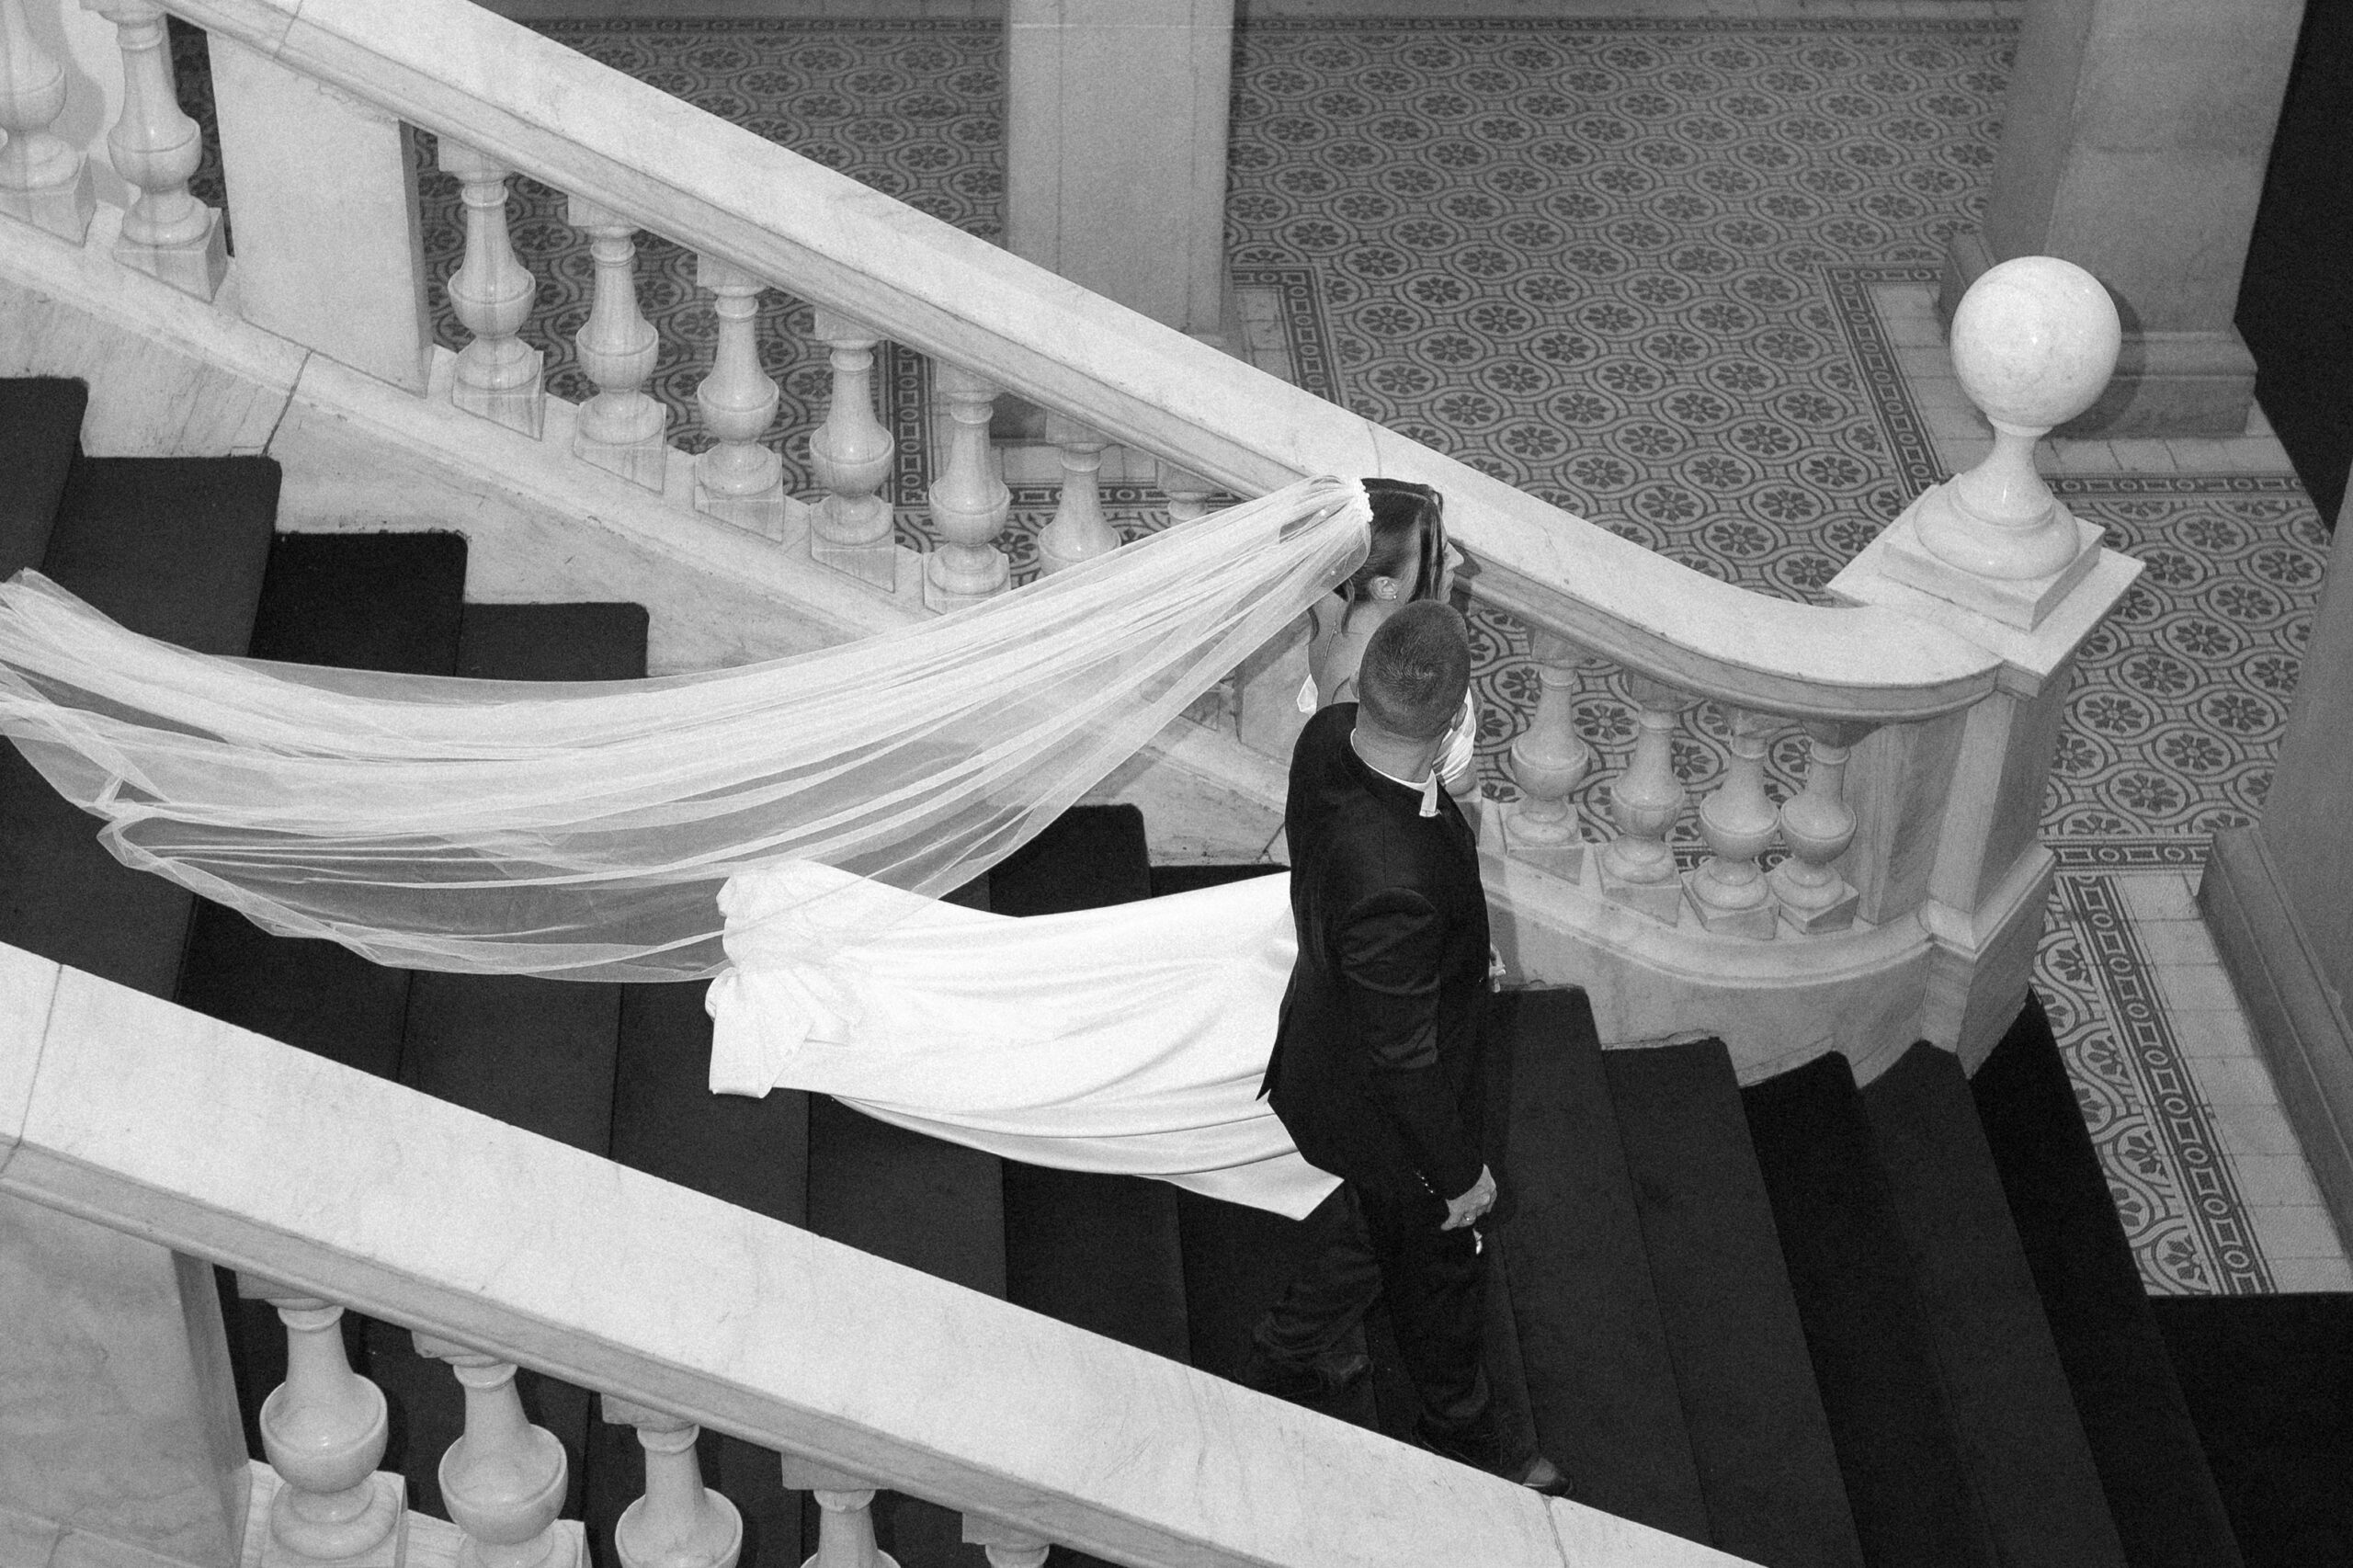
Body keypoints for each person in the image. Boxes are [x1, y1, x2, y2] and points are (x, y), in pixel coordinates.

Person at [1248, 599, 1567, 1494]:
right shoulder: (1400, 873)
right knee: (1440, 1285)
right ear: (1458, 719)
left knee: (1369, 1220)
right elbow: (1403, 1060)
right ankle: (1470, 1444)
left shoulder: (1325, 743)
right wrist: (1461, 1172)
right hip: (1393, 1114)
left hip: (1325, 1054)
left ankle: (1286, 1349)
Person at [1298, 478, 1481, 827]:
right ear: (1385, 586)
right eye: (1441, 554)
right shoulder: (1388, 678)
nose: (1458, 560)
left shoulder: (1334, 597)